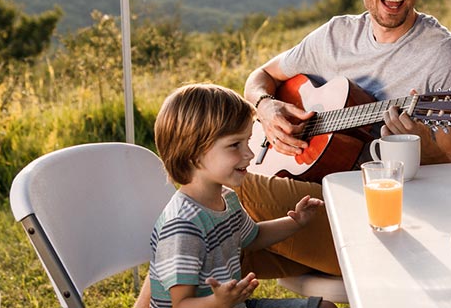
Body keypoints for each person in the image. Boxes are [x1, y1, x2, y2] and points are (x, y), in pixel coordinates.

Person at [239, 0, 451, 278]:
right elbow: (263, 76)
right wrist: (266, 106)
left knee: (229, 186)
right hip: (315, 206)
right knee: (210, 250)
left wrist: (426, 153)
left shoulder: (444, 55)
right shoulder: (335, 36)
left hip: (390, 224)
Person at [135, 84, 332, 308]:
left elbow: (254, 237)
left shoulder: (226, 198)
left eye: (246, 142)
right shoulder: (183, 225)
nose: (249, 153)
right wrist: (218, 301)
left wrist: (295, 222)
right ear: (193, 153)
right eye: (235, 145)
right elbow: (180, 304)